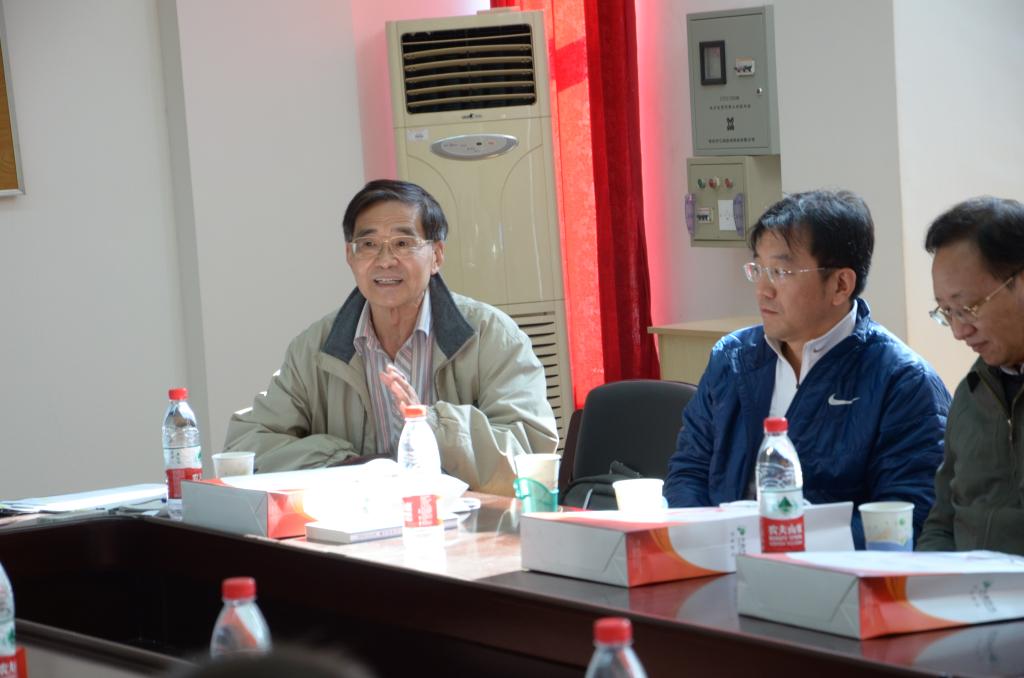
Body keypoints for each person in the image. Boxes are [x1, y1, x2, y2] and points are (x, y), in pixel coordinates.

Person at [224, 179, 558, 494]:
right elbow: (248, 444)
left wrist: (431, 425)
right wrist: (346, 463)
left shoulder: (490, 335)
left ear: (437, 256)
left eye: (403, 243)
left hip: (467, 522)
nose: (385, 261)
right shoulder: (316, 347)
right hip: (354, 525)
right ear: (350, 256)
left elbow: (530, 451)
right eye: (368, 245)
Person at [663, 190, 950, 548]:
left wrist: (784, 546)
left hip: (834, 575)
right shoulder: (732, 358)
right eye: (758, 269)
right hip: (723, 562)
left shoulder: (902, 380)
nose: (763, 290)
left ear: (840, 285)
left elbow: (907, 516)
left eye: (781, 272)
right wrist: (706, 546)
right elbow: (688, 471)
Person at [917, 196, 1024, 555]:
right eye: (946, 312)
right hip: (968, 589)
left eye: (968, 308)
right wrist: (928, 579)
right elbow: (941, 523)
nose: (959, 331)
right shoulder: (972, 393)